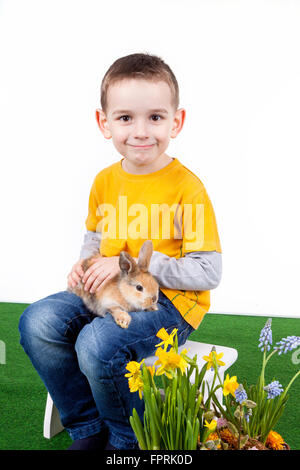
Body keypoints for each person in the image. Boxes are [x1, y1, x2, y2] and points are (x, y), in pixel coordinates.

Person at [19, 52, 222, 450]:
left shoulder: (187, 189)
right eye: (126, 117)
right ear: (104, 122)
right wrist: (84, 266)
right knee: (37, 322)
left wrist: (143, 270)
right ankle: (87, 425)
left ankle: (127, 440)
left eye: (156, 117)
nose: (141, 131)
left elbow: (208, 272)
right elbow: (93, 237)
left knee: (96, 343)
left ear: (176, 122)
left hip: (167, 304)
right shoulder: (104, 181)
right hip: (106, 294)